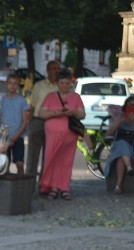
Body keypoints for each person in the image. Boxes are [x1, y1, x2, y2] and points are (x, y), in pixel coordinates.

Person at [38, 69, 84, 200]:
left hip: (69, 134)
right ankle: (52, 187)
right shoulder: (51, 97)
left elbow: (82, 114)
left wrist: (73, 112)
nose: (65, 85)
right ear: (57, 83)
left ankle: (64, 187)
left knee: (66, 161)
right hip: (53, 134)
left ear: (71, 83)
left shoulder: (76, 97)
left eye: (67, 83)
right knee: (52, 159)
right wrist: (55, 113)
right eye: (62, 83)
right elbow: (41, 113)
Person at [26, 60, 62, 178]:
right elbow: (32, 106)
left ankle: (44, 183)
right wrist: (29, 124)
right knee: (32, 155)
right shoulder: (39, 85)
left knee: (49, 156)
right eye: (54, 68)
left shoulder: (62, 87)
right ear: (48, 71)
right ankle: (29, 183)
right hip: (37, 122)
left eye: (58, 69)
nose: (56, 71)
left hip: (54, 124)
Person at [104, 96, 134, 194]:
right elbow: (108, 134)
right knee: (121, 144)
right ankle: (121, 181)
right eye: (129, 104)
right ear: (125, 106)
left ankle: (119, 185)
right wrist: (117, 122)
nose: (132, 107)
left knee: (121, 150)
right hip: (119, 150)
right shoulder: (120, 117)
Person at [1, 75, 30, 174]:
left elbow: (25, 121)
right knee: (5, 163)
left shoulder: (22, 101)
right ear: (6, 85)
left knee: (19, 163)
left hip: (18, 136)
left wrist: (15, 137)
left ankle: (20, 181)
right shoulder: (2, 100)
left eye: (15, 83)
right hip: (5, 137)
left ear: (18, 86)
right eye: (10, 83)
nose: (12, 86)